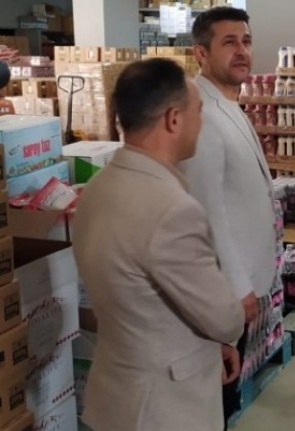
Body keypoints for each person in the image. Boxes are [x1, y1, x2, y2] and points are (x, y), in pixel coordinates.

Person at [72, 58, 258, 431]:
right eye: (198, 112)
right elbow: (223, 317)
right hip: (164, 406)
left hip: (116, 392)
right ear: (174, 119)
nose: (201, 123)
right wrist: (232, 322)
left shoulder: (97, 188)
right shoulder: (172, 211)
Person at [180, 7, 277, 427]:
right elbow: (207, 211)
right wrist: (238, 287)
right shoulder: (200, 114)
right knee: (215, 398)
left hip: (240, 284)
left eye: (246, 41)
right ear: (200, 53)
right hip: (222, 291)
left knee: (225, 392)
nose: (242, 51)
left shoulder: (229, 104)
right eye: (229, 42)